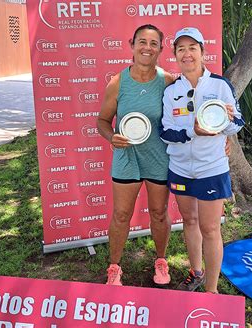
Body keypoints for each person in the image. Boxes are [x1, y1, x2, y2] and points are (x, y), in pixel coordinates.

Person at [160, 27, 244, 293]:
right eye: (181, 49)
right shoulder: (171, 90)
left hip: (212, 168)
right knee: (189, 221)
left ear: (202, 52)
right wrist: (191, 132)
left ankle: (211, 289)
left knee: (210, 228)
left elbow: (238, 124)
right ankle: (196, 272)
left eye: (192, 48)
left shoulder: (220, 85)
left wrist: (229, 120)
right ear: (175, 55)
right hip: (181, 168)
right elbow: (165, 131)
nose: (187, 54)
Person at [97, 24, 175, 286]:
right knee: (121, 215)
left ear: (161, 49)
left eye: (154, 44)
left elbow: (190, 111)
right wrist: (111, 137)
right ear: (132, 45)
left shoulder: (168, 81)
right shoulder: (117, 82)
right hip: (126, 158)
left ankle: (161, 261)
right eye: (142, 42)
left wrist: (220, 136)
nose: (147, 48)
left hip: (158, 157)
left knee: (159, 213)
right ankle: (114, 267)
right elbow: (102, 121)